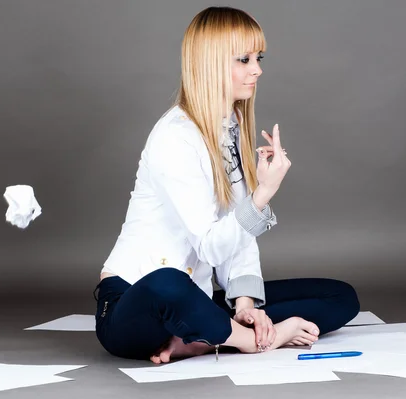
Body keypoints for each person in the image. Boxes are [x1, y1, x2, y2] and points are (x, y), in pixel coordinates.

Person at [93, 6, 360, 364]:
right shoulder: (175, 136)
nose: (257, 69)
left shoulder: (229, 125)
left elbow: (236, 232)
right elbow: (209, 247)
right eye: (244, 59)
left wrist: (246, 304)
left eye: (258, 57)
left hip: (196, 299)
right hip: (134, 303)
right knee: (168, 282)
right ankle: (248, 341)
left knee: (340, 297)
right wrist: (262, 195)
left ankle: (204, 338)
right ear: (211, 63)